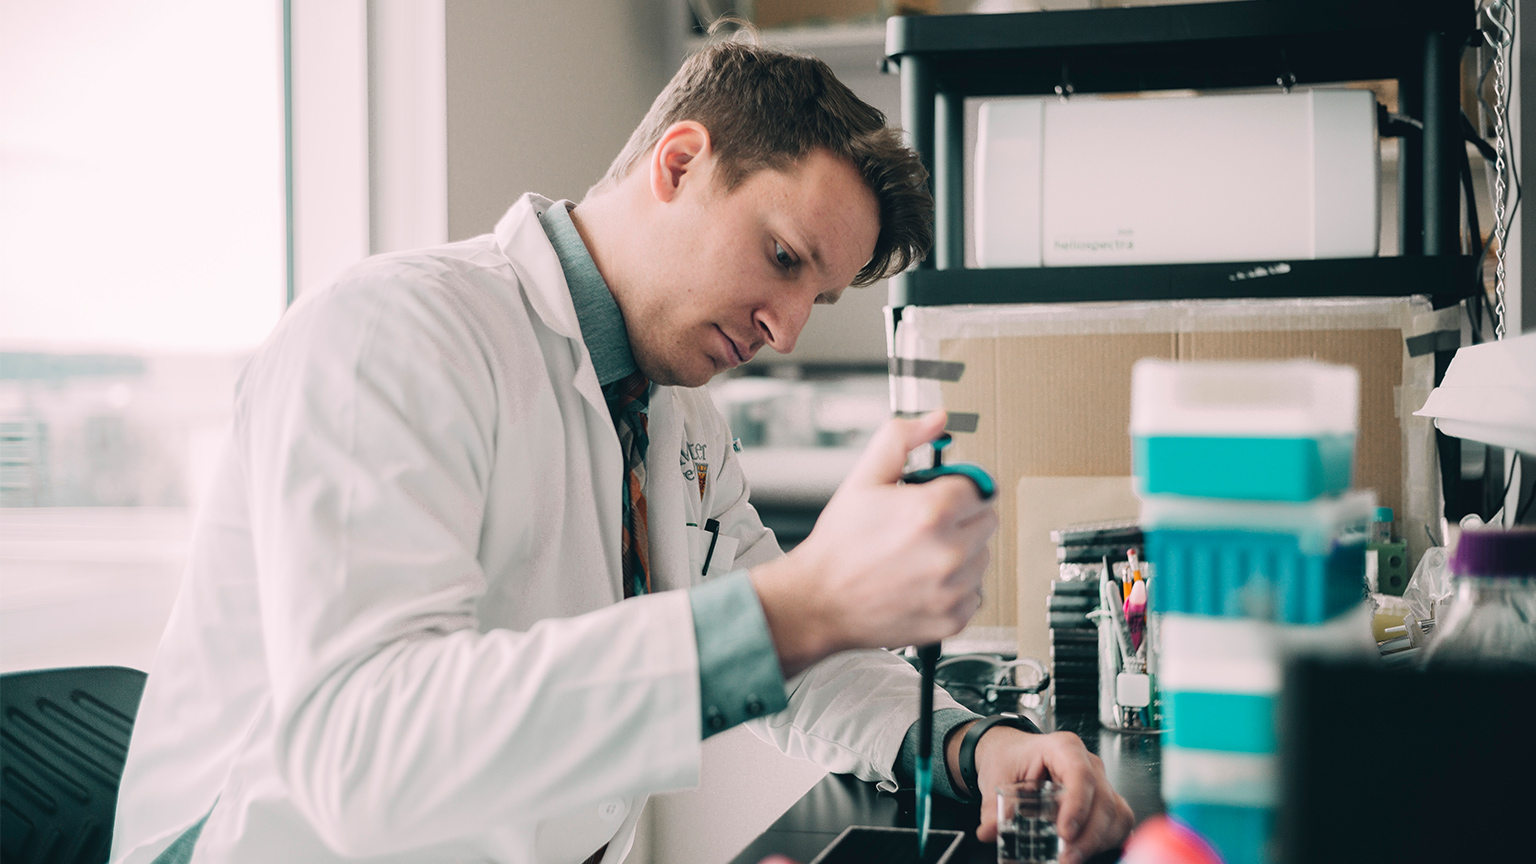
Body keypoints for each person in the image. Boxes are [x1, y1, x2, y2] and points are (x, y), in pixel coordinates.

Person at [110, 36, 1133, 864]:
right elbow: (365, 753)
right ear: (679, 163)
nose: (786, 331)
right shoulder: (394, 334)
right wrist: (805, 602)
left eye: (816, 298)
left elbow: (791, 660)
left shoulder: (672, 412)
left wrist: (972, 746)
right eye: (782, 257)